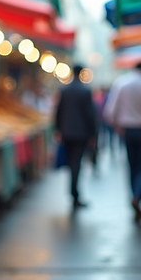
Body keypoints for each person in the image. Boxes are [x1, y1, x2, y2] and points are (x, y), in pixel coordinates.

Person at [104, 62, 141, 221]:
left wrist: (118, 127)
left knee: (132, 165)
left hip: (128, 130)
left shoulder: (121, 83)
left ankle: (135, 196)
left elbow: (110, 112)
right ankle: (138, 196)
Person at [54, 64, 97, 210]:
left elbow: (59, 111)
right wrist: (93, 133)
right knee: (76, 163)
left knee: (72, 163)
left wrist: (58, 129)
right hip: (81, 133)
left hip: (67, 132)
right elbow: (90, 114)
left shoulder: (65, 90)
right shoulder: (85, 91)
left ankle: (73, 192)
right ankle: (74, 194)